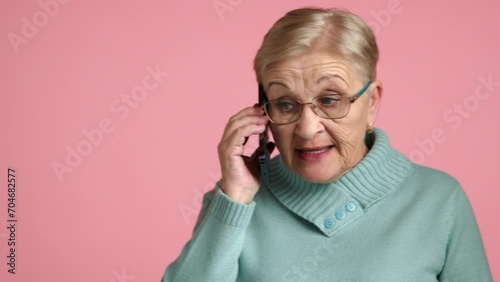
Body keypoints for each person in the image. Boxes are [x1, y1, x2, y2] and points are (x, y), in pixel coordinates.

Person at [162, 7, 492, 282]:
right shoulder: (236, 202)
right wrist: (234, 199)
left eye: (330, 100)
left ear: (372, 102)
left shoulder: (438, 199)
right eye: (286, 104)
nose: (306, 129)